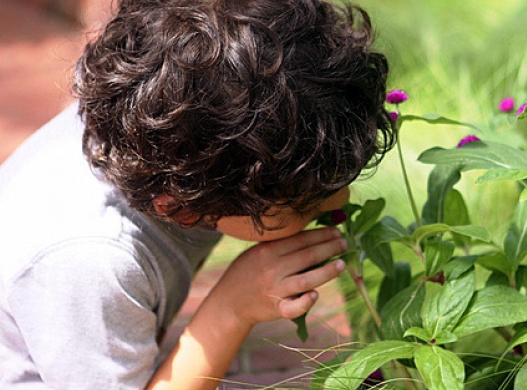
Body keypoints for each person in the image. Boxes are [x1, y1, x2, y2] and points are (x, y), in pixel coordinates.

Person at [0, 0, 394, 388]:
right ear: (179, 209)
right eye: (306, 201)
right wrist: (232, 308)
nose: (339, 201)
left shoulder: (168, 129)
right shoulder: (91, 258)